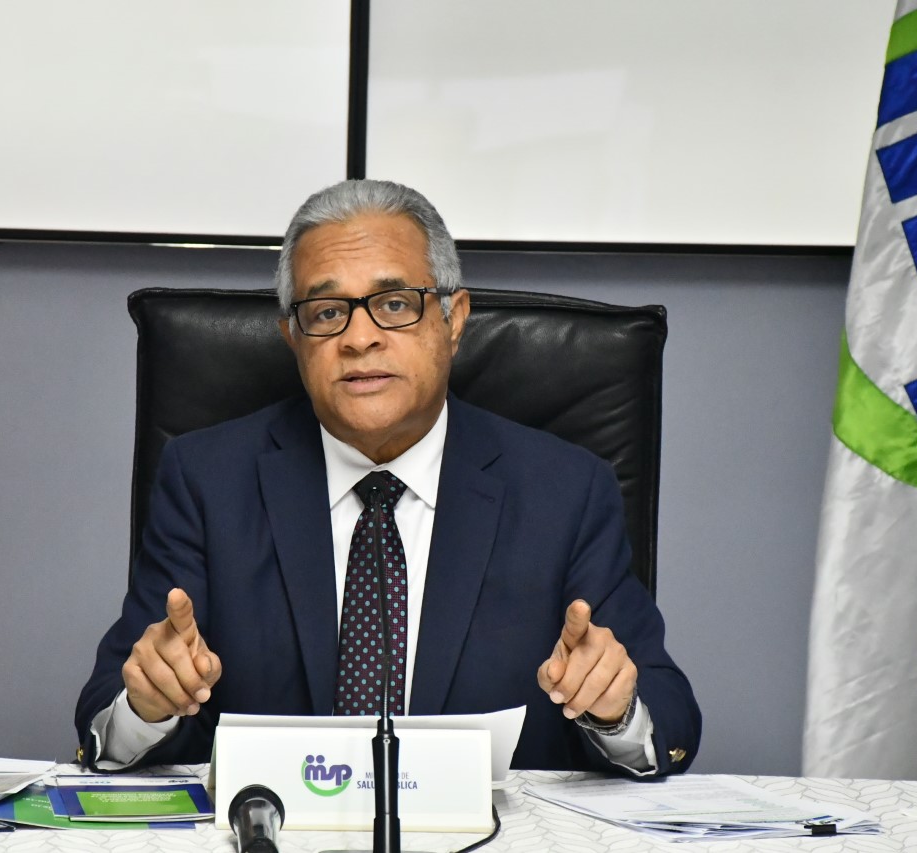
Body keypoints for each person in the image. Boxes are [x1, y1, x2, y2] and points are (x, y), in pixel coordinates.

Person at [75, 179, 700, 774]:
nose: (359, 338)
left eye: (395, 304)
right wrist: (149, 705)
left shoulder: (565, 490)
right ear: (293, 338)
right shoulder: (206, 481)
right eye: (326, 312)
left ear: (454, 319)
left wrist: (614, 709)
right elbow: (106, 715)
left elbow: (668, 718)